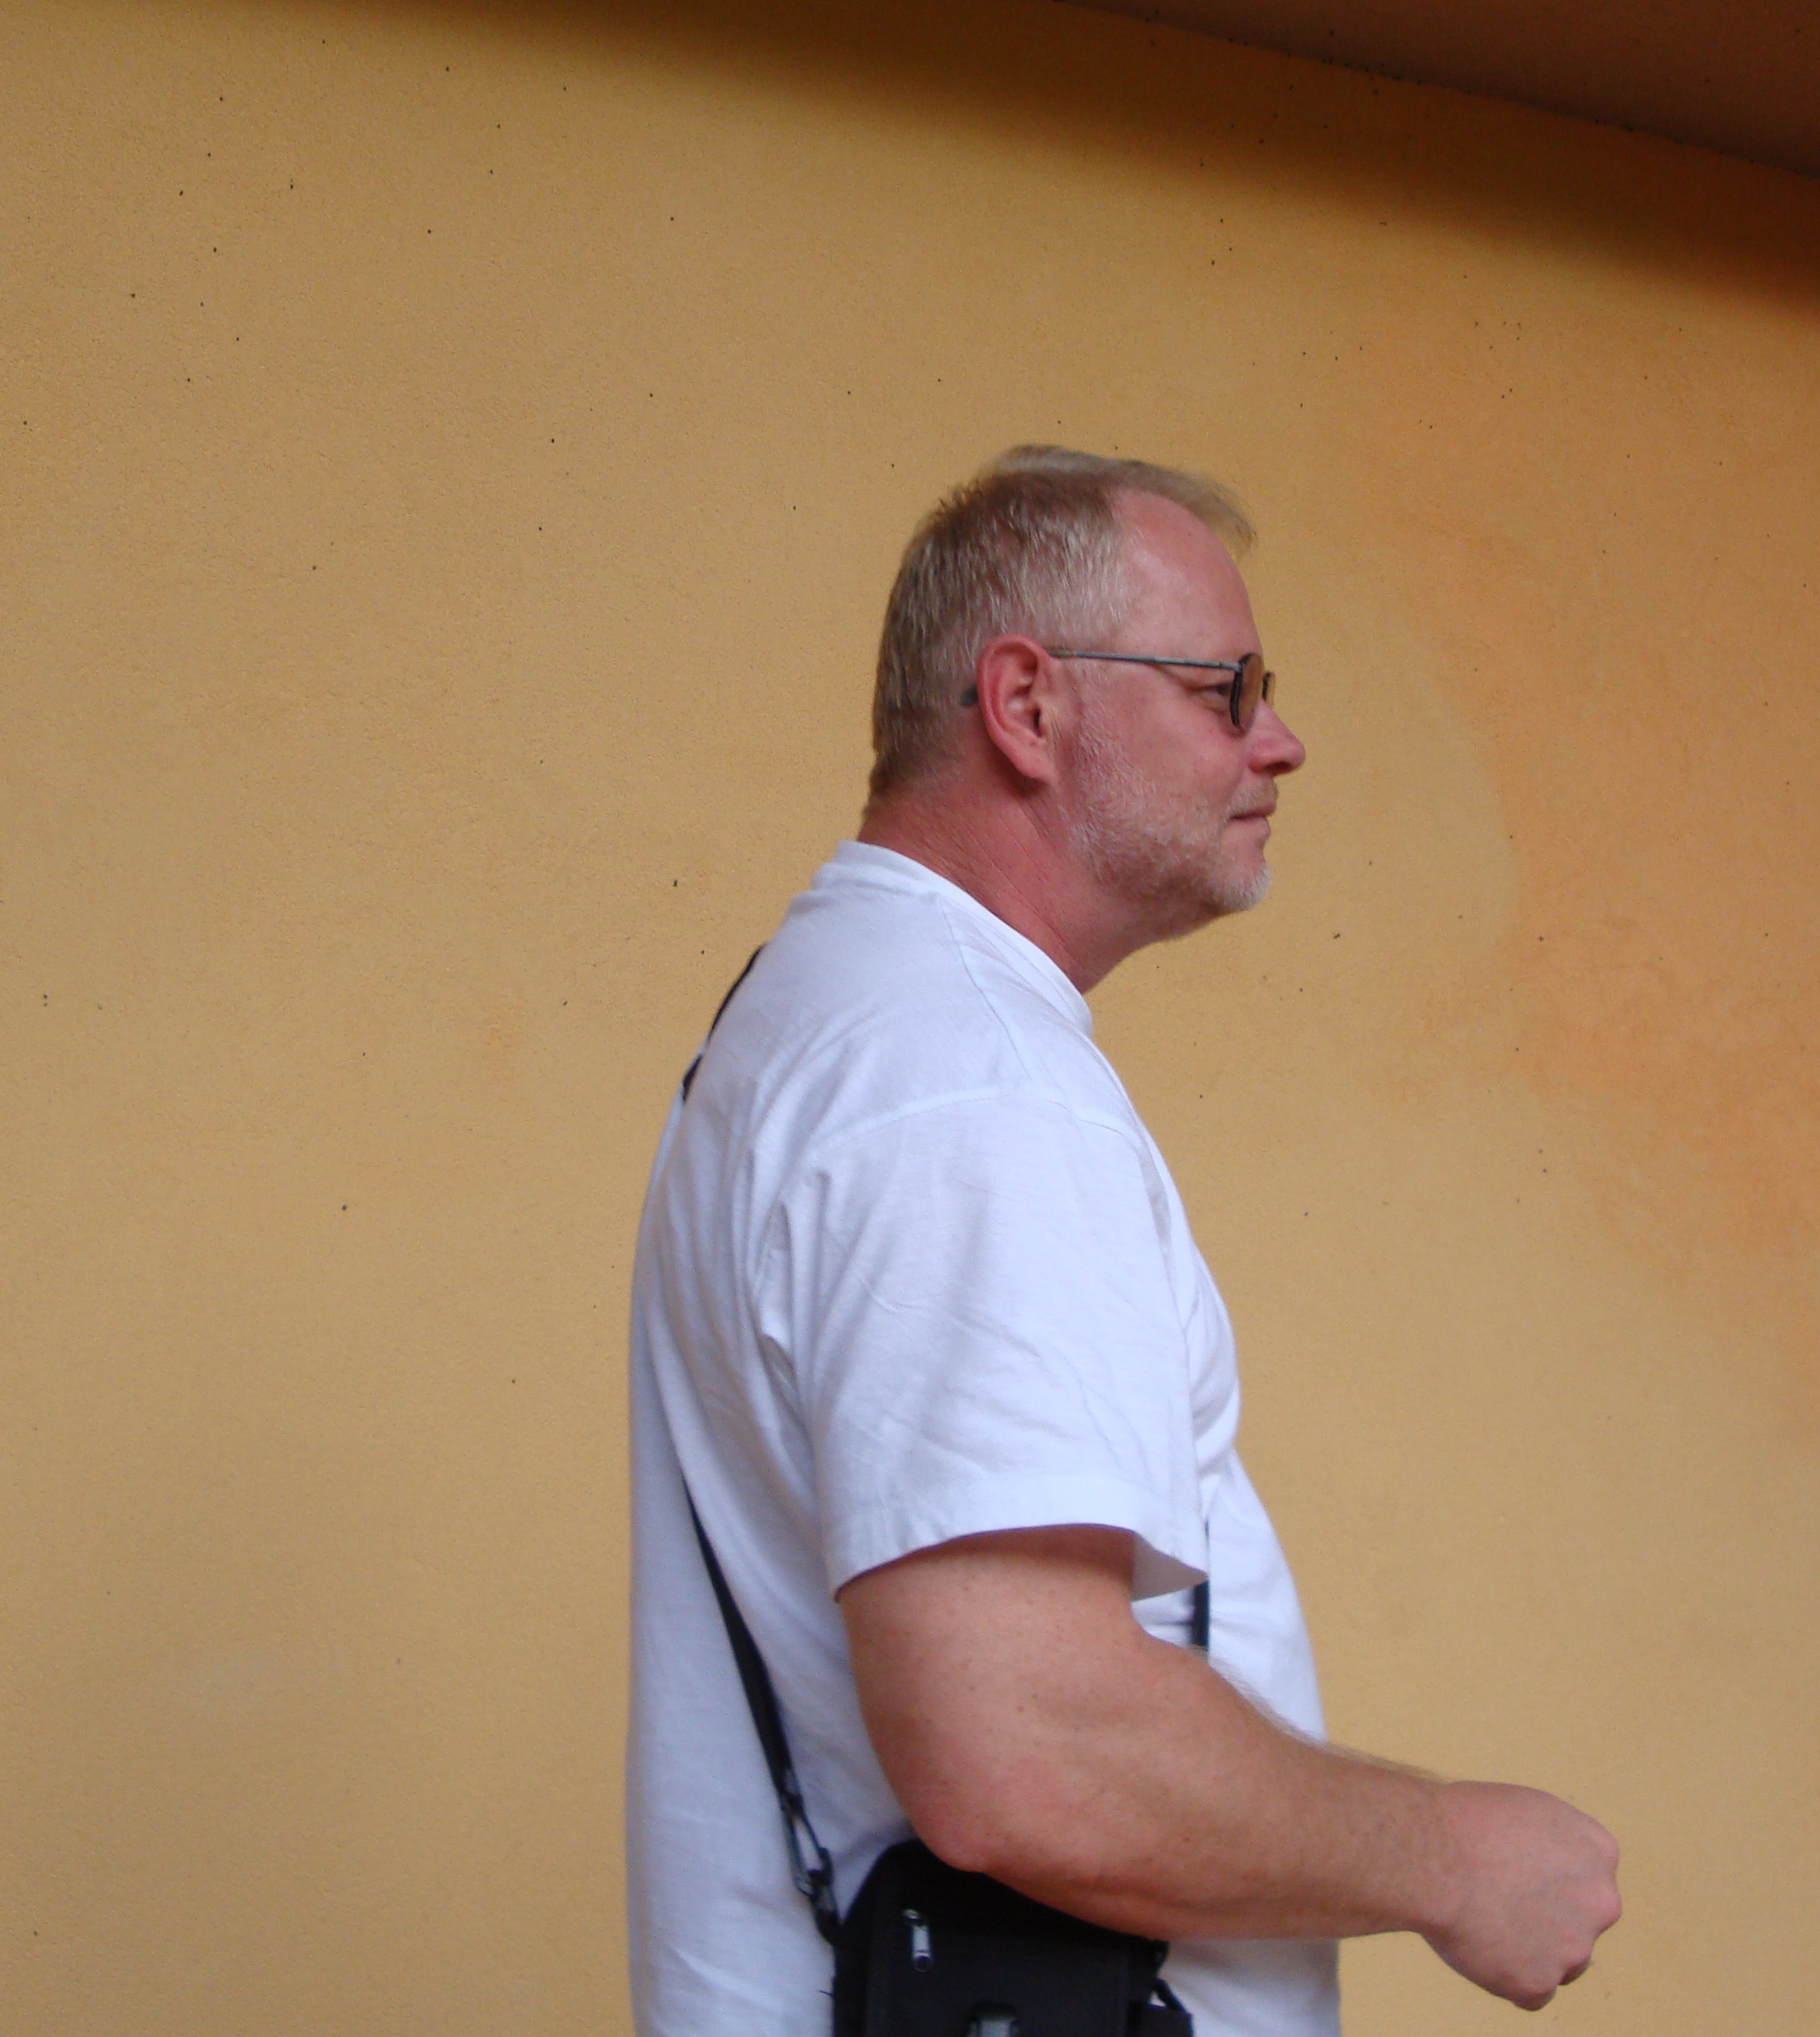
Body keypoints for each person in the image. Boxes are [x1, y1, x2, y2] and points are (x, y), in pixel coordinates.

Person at [626, 448, 1620, 2035]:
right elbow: (1026, 1749)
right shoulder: (968, 1082)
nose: (1279, 741)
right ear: (1028, 706)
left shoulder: (832, 1023)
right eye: (1229, 690)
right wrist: (1451, 1857)